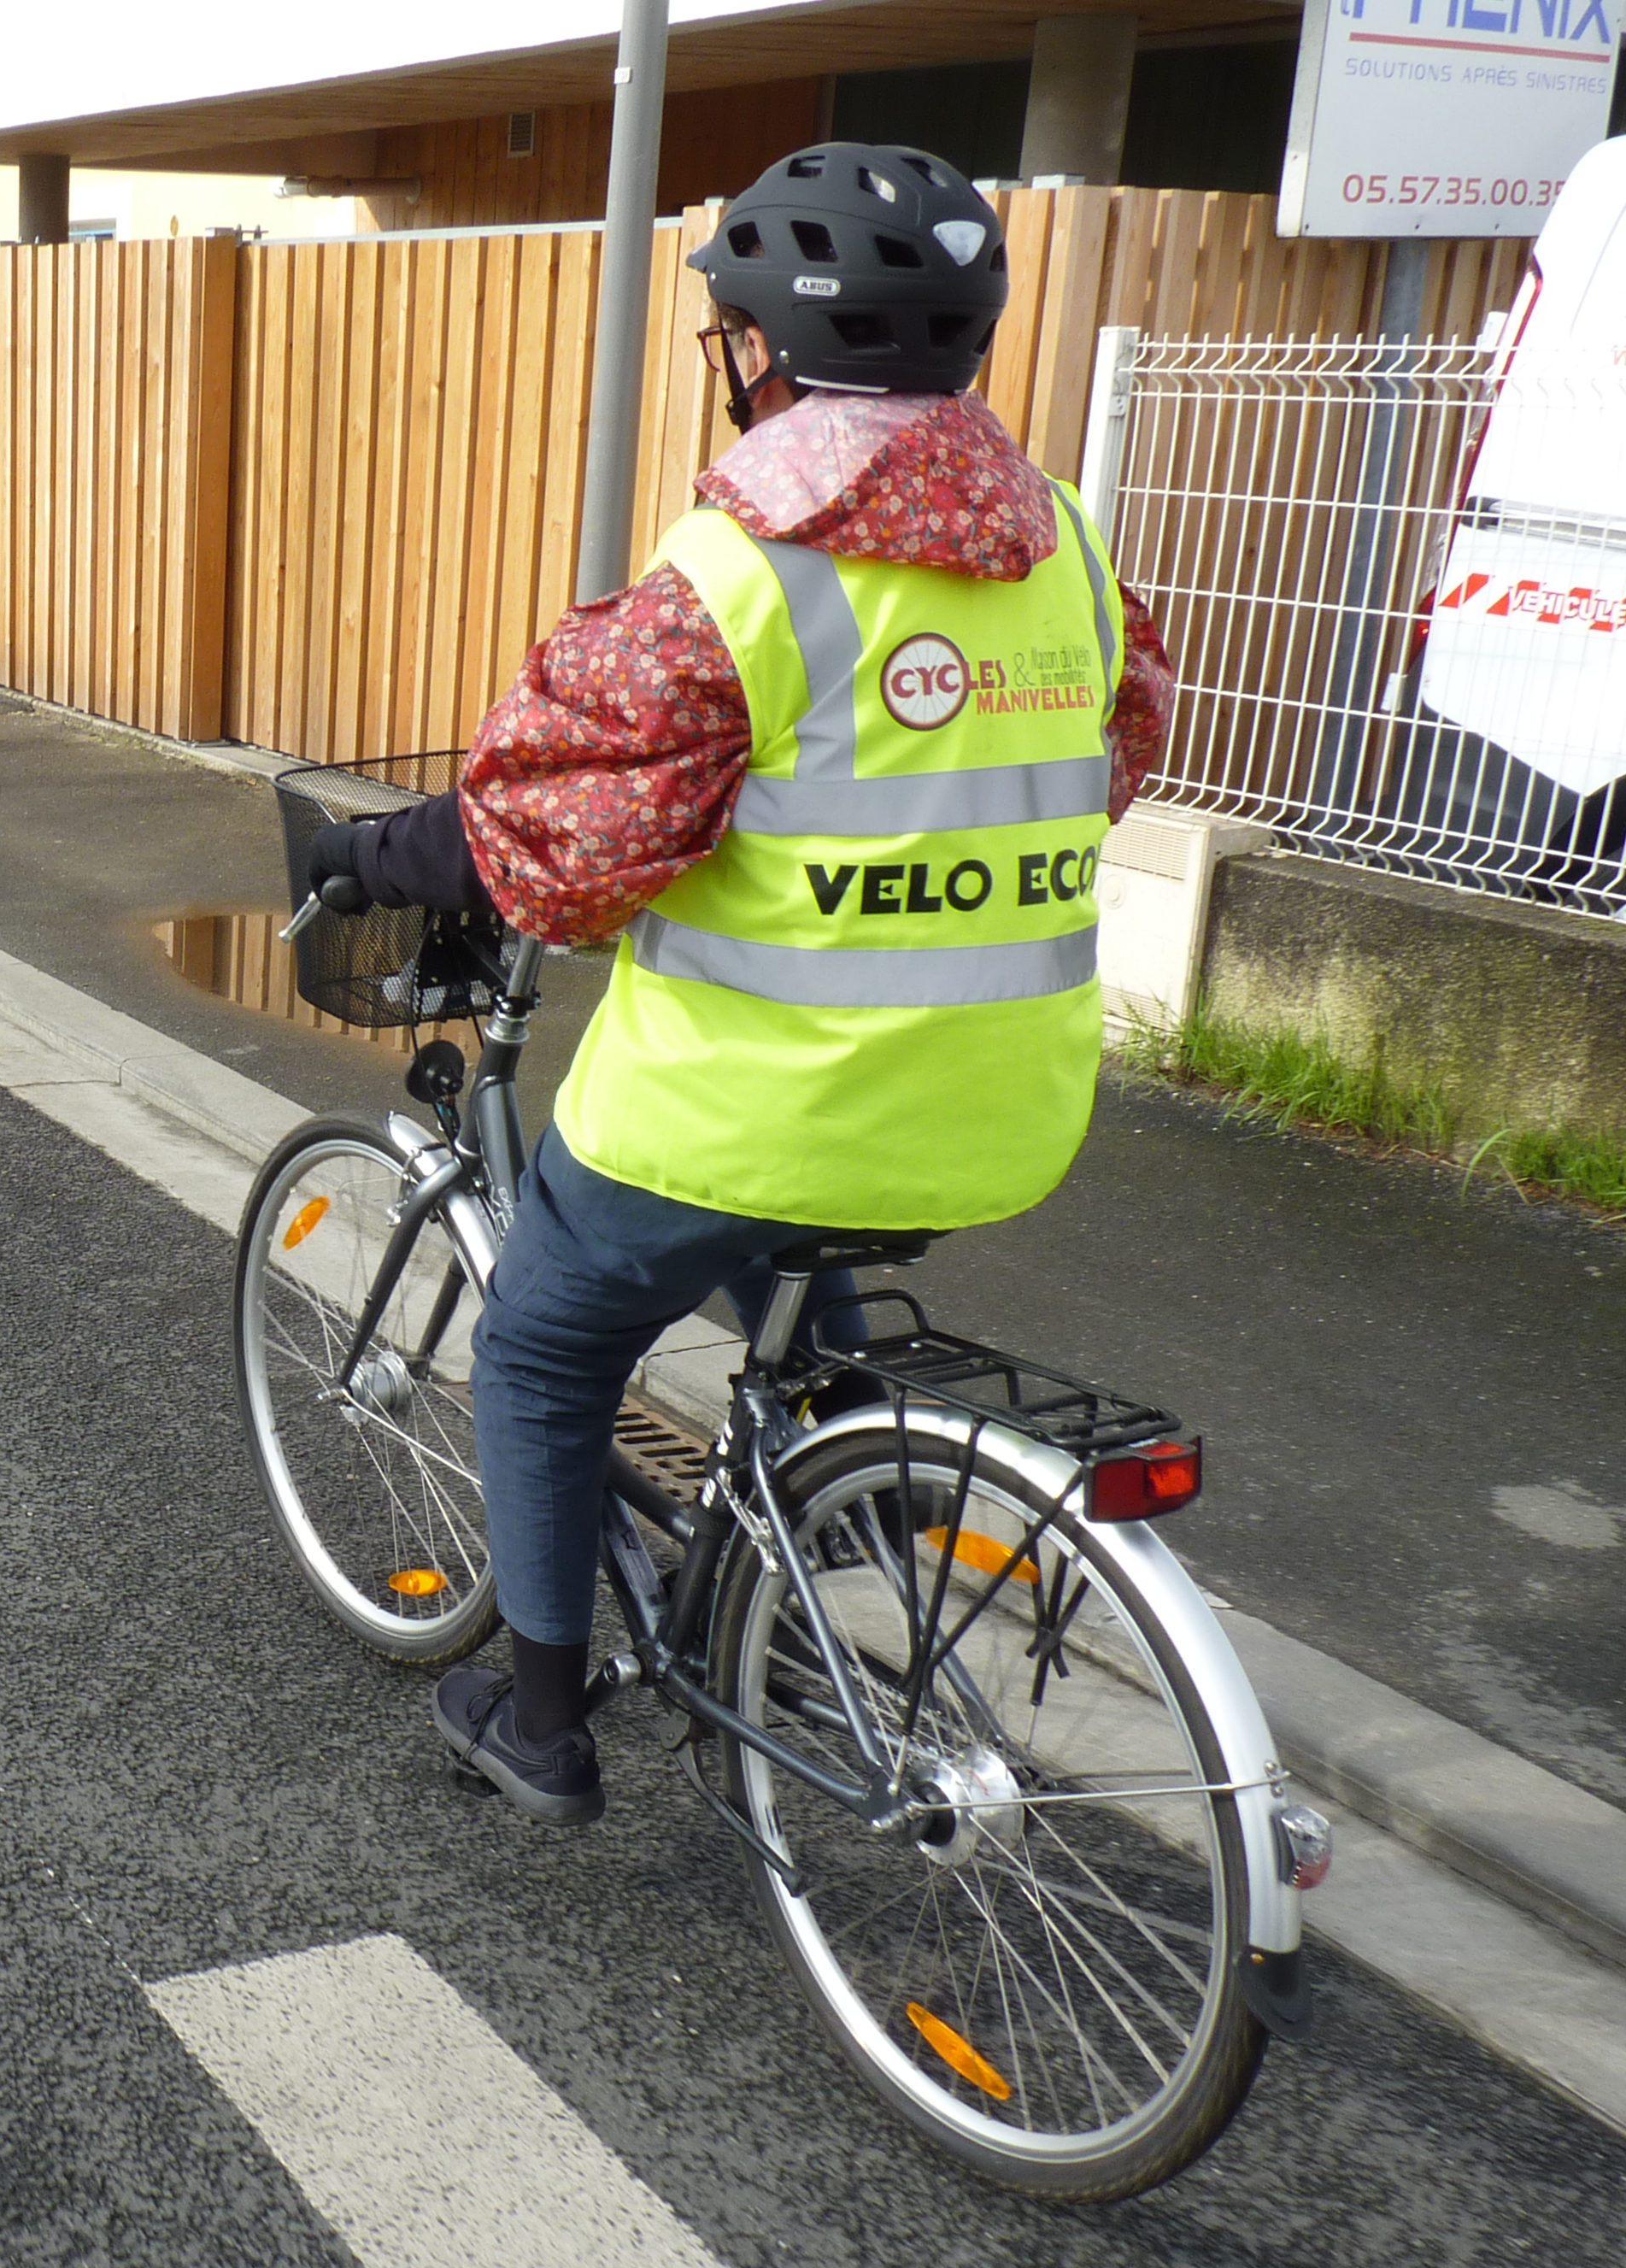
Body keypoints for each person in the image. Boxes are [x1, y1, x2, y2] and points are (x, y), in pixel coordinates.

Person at [294, 144, 1177, 1828]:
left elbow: (544, 843)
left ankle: (539, 1726)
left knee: (542, 1356)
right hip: (998, 1104)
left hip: (741, 1111)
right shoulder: (1066, 550)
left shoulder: (730, 582)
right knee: (772, 1224)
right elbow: (1110, 756)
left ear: (761, 347)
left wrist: (381, 854)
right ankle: (832, 1479)